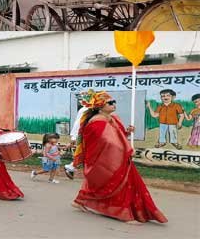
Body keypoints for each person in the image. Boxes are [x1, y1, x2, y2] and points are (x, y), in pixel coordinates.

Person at [72, 90, 168, 224]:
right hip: (104, 159)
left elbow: (117, 136)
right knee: (115, 185)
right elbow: (108, 142)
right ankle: (123, 213)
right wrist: (126, 149)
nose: (113, 104)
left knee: (123, 184)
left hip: (118, 157)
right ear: (100, 106)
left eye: (114, 102)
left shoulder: (113, 118)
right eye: (110, 103)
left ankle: (81, 201)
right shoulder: (97, 122)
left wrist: (127, 133)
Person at [64, 102, 89, 180]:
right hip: (85, 135)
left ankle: (71, 167)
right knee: (85, 153)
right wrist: (74, 138)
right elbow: (78, 123)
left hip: (91, 135)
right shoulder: (86, 110)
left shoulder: (97, 110)